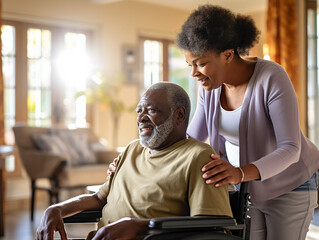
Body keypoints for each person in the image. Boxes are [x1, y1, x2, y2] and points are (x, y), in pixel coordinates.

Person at [175, 4, 319, 240]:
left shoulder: (271, 77)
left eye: (200, 63)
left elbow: (291, 148)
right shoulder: (209, 88)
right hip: (249, 187)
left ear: (228, 55)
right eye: (190, 65)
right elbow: (191, 139)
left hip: (291, 184)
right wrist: (139, 156)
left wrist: (240, 173)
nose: (194, 73)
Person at [36, 82, 232, 240]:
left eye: (152, 110)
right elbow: (99, 198)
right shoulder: (132, 149)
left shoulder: (199, 156)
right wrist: (57, 209)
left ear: (179, 115)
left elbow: (211, 224)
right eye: (139, 110)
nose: (141, 118)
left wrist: (139, 226)